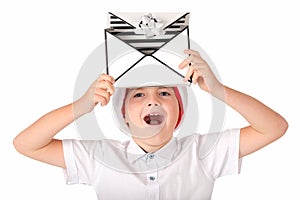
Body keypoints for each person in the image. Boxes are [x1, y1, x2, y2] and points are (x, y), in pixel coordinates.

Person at [13, 49, 288, 199]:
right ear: (124, 116)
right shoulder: (100, 157)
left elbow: (274, 127)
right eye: (139, 94)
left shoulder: (203, 151)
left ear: (179, 113)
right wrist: (81, 106)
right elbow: (26, 144)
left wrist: (217, 89)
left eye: (165, 93)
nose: (152, 100)